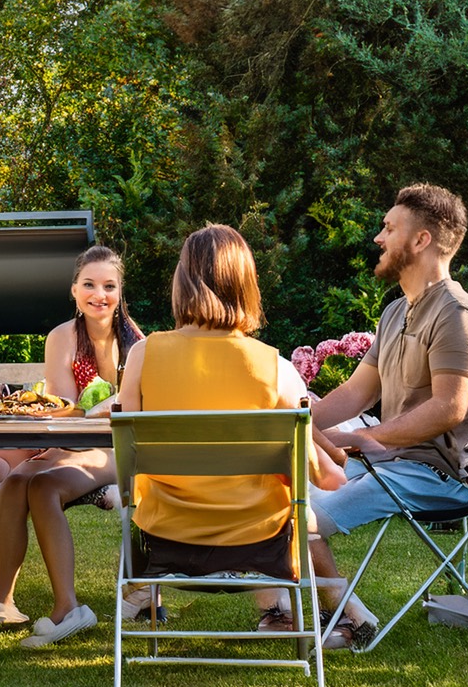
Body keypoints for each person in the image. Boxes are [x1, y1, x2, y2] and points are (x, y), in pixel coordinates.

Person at [116, 224, 346, 640]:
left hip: (165, 538)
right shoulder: (276, 369)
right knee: (301, 508)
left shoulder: (143, 356)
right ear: (245, 285)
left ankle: (143, 595)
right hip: (260, 545)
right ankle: (304, 610)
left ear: (182, 282)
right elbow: (325, 479)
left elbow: (130, 456)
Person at [308, 183, 468, 649]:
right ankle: (318, 611)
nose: (379, 237)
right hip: (393, 460)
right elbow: (355, 392)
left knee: (295, 519)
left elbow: (450, 406)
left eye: (389, 228)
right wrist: (299, 418)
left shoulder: (456, 315)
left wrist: (376, 440)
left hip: (432, 472)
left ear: (421, 240)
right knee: (277, 491)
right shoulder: (395, 312)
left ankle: (348, 620)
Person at [0, 245, 144, 648]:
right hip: (69, 442)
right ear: (74, 291)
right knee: (15, 481)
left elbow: (129, 408)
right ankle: (0, 602)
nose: (100, 294)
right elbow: (63, 407)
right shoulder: (62, 337)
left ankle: (68, 609)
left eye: (109, 285)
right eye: (90, 284)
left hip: (117, 447)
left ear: (120, 291)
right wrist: (94, 410)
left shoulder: (138, 343)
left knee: (43, 486)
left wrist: (98, 409)